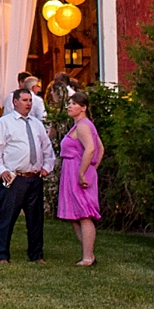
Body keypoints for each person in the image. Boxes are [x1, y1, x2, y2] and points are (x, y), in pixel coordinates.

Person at [0, 85, 55, 262]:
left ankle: (36, 254)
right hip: (14, 177)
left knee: (35, 220)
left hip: (34, 178)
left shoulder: (36, 124)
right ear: (15, 102)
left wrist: (47, 166)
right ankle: (1, 254)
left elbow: (47, 148)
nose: (28, 104)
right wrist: (2, 170)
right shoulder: (4, 123)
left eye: (30, 101)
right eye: (25, 100)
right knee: (7, 218)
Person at [58, 90, 104, 266]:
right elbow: (101, 148)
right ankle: (88, 254)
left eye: (74, 104)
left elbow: (92, 149)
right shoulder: (80, 125)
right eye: (69, 103)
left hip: (78, 172)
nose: (69, 106)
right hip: (74, 171)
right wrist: (92, 168)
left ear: (83, 108)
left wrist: (84, 171)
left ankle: (87, 257)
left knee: (84, 214)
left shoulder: (84, 125)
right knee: (75, 216)